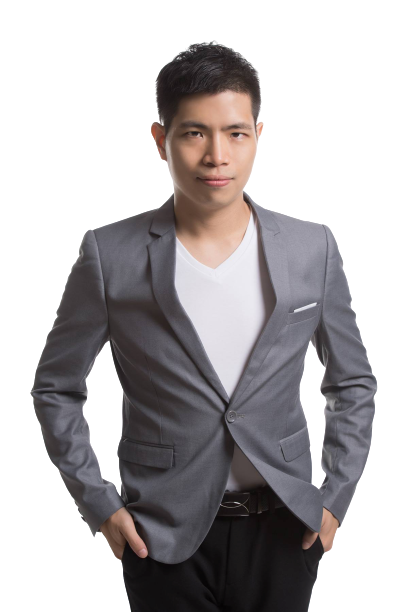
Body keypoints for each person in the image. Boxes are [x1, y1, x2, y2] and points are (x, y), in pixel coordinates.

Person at [31, 43, 376, 612]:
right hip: (160, 535)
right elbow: (55, 389)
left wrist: (334, 497)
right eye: (195, 133)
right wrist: (100, 505)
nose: (217, 155)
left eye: (236, 133)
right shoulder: (109, 255)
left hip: (285, 527)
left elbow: (351, 383)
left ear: (257, 138)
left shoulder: (312, 248)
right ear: (160, 140)